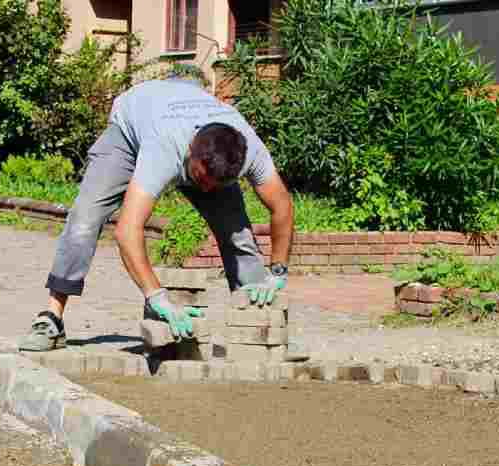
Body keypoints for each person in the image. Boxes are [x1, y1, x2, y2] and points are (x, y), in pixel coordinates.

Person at [18, 77, 294, 352]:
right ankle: (52, 318)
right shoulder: (164, 147)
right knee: (85, 219)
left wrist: (278, 270)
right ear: (190, 153)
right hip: (131, 128)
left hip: (187, 116)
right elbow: (128, 230)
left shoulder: (247, 150)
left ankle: (259, 328)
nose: (207, 189)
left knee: (238, 235)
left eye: (217, 183)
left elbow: (281, 205)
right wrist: (156, 297)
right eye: (202, 178)